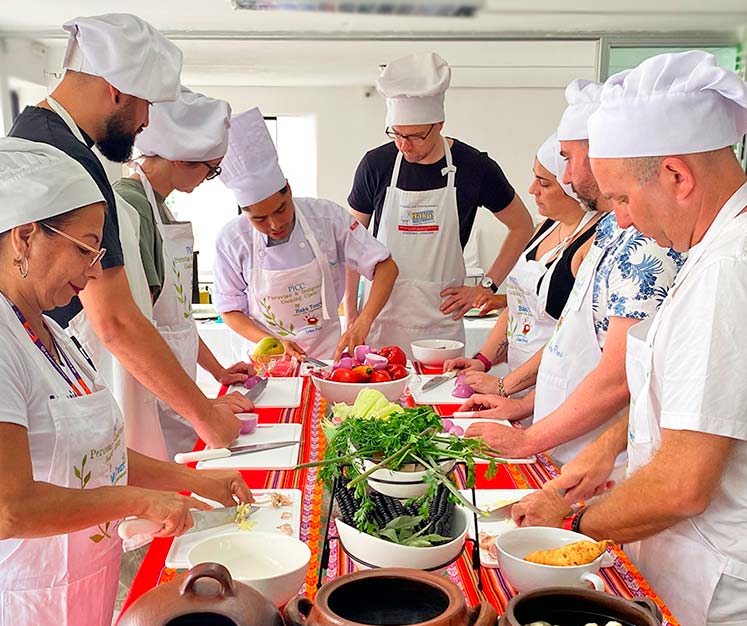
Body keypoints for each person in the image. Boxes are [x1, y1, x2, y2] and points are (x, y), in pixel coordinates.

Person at [510, 51, 747, 626]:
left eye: (621, 197)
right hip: (725, 577)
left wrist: (572, 531)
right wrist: (603, 452)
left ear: (676, 174)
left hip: (733, 603)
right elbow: (690, 395)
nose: (619, 219)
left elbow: (682, 486)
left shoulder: (737, 272)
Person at [0, 138, 252, 626]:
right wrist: (140, 502)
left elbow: (95, 453)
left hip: (62, 596)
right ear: (25, 237)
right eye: (86, 249)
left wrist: (192, 479)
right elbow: (6, 509)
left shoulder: (46, 332)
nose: (93, 272)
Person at [8, 13, 245, 458]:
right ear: (116, 90)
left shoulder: (36, 138)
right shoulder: (70, 164)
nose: (148, 122)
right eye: (146, 104)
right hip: (67, 386)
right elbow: (114, 322)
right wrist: (205, 416)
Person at [461, 81, 682, 477]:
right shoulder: (612, 228)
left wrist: (526, 434)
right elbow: (572, 345)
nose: (567, 176)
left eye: (567, 160)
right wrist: (520, 404)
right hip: (556, 436)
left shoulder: (648, 243)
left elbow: (618, 378)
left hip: (598, 460)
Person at [345, 52, 534, 355]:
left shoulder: (474, 167)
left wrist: (486, 287)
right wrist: (353, 314)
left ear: (439, 123)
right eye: (397, 135)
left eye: (416, 136)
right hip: (379, 318)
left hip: (440, 322)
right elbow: (351, 242)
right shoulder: (376, 165)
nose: (404, 146)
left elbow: (522, 226)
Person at [115, 87, 255, 458]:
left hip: (172, 393)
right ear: (181, 160)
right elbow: (138, 330)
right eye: (211, 170)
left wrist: (218, 372)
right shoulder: (132, 208)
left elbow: (177, 322)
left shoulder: (159, 208)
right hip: (147, 395)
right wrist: (202, 408)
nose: (207, 179)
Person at [214, 108, 399, 360]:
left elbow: (386, 267)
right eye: (259, 219)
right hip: (268, 359)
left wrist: (362, 320)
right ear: (245, 213)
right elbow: (229, 309)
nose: (274, 224)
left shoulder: (326, 218)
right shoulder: (232, 239)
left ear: (288, 190)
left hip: (326, 357)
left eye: (280, 210)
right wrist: (274, 342)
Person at [443, 131, 604, 387]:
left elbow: (569, 337)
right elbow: (519, 306)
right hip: (518, 380)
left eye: (544, 184)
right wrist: (483, 360)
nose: (532, 190)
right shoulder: (546, 227)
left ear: (572, 186)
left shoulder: (593, 242)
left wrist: (504, 387)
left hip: (559, 383)